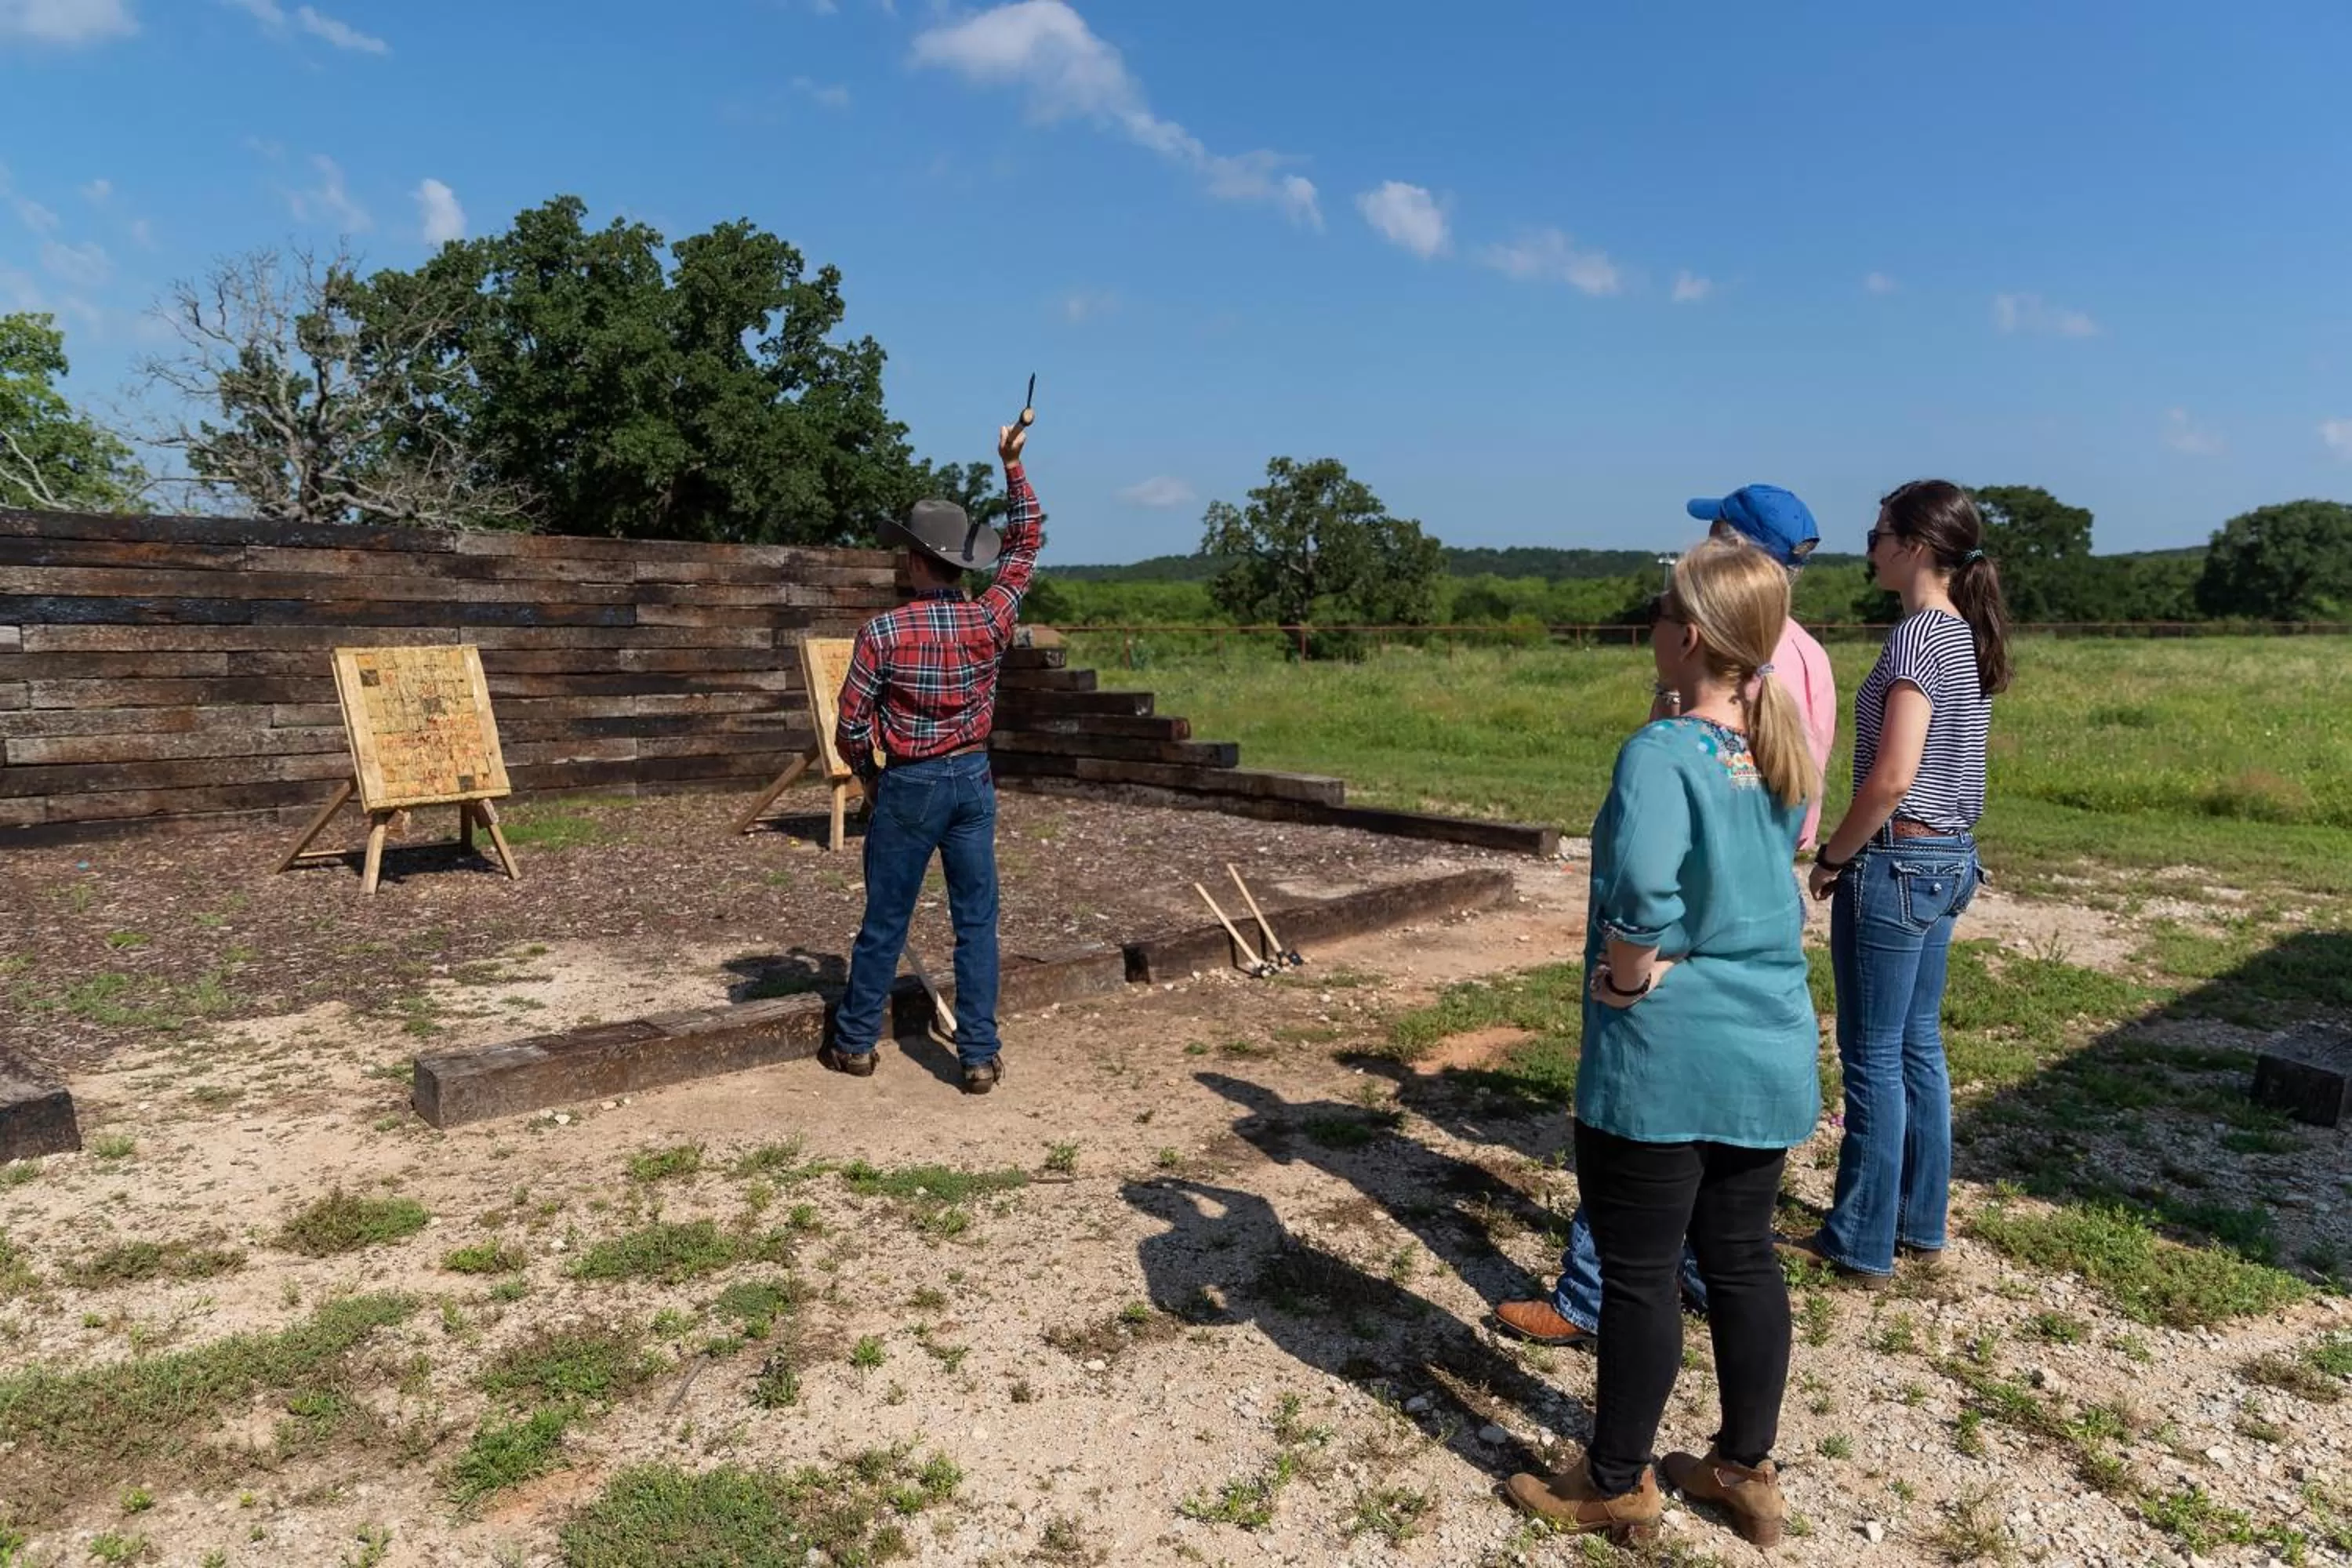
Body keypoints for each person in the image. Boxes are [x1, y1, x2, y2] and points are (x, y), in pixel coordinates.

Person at [1504, 537, 1819, 1548]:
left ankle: (1613, 1477)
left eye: (1658, 608)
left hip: (1667, 1052)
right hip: (1766, 1041)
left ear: (1685, 634)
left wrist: (1628, 974)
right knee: (1742, 1258)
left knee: (1640, 1272)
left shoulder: (1657, 754)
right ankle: (1744, 1466)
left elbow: (1643, 889)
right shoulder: (1777, 743)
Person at [1786, 480, 2010, 1283]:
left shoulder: (1918, 638)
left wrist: (1837, 855)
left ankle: (1859, 1238)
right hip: (1949, 857)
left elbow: (1892, 775)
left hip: (1898, 858)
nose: (1870, 543)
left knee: (1872, 1053)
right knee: (1918, 1044)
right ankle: (1919, 1221)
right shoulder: (1963, 634)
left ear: (1915, 544)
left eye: (1880, 531)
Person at [820, 421, 1042, 1095]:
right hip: (972, 777)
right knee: (976, 920)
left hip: (910, 782)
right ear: (961, 562)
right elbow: (1028, 540)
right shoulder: (991, 618)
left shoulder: (883, 631)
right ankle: (976, 1054)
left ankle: (856, 1043)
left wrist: (870, 777)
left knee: (886, 916)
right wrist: (1012, 465)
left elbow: (850, 725)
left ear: (916, 561)